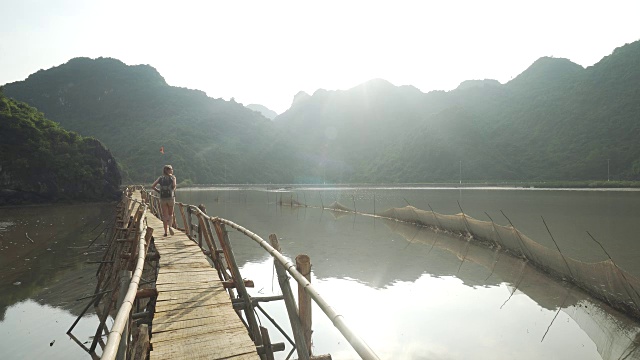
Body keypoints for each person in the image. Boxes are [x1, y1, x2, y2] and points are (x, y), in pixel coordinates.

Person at [151, 165, 177, 236]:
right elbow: (174, 186)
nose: (172, 170)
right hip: (170, 198)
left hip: (162, 198)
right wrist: (173, 189)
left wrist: (159, 191)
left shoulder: (160, 178)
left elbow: (152, 186)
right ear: (168, 170)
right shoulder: (173, 177)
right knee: (170, 214)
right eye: (171, 169)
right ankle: (170, 227)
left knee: (164, 216)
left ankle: (165, 232)